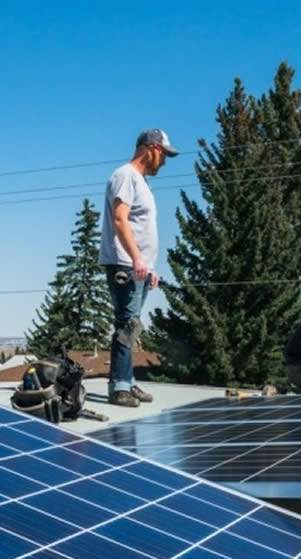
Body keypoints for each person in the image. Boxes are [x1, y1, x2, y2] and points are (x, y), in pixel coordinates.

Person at [99, 129, 178, 407]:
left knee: (132, 327)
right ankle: (119, 386)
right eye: (163, 154)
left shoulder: (142, 182)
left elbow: (140, 227)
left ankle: (128, 383)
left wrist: (150, 266)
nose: (165, 161)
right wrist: (136, 259)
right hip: (125, 264)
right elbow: (120, 219)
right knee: (127, 324)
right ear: (150, 149)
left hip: (140, 268)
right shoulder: (125, 176)